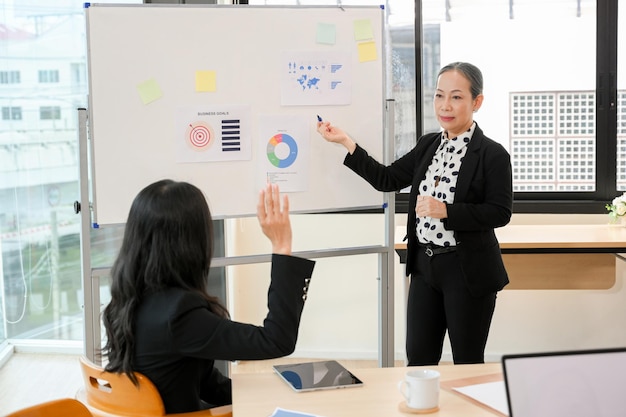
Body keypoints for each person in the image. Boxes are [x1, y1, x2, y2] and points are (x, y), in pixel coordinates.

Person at [317, 62, 512, 366]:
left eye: (457, 97)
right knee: (419, 360)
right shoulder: (428, 145)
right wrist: (346, 141)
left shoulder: (492, 154)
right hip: (424, 267)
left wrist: (445, 211)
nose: (445, 106)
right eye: (439, 95)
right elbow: (388, 178)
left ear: (477, 102)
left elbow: (499, 212)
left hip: (467, 270)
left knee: (467, 362)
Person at [101, 180, 315, 413]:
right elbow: (276, 340)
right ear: (192, 241)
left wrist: (269, 394)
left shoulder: (127, 300)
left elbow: (205, 384)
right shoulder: (179, 315)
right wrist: (281, 245)